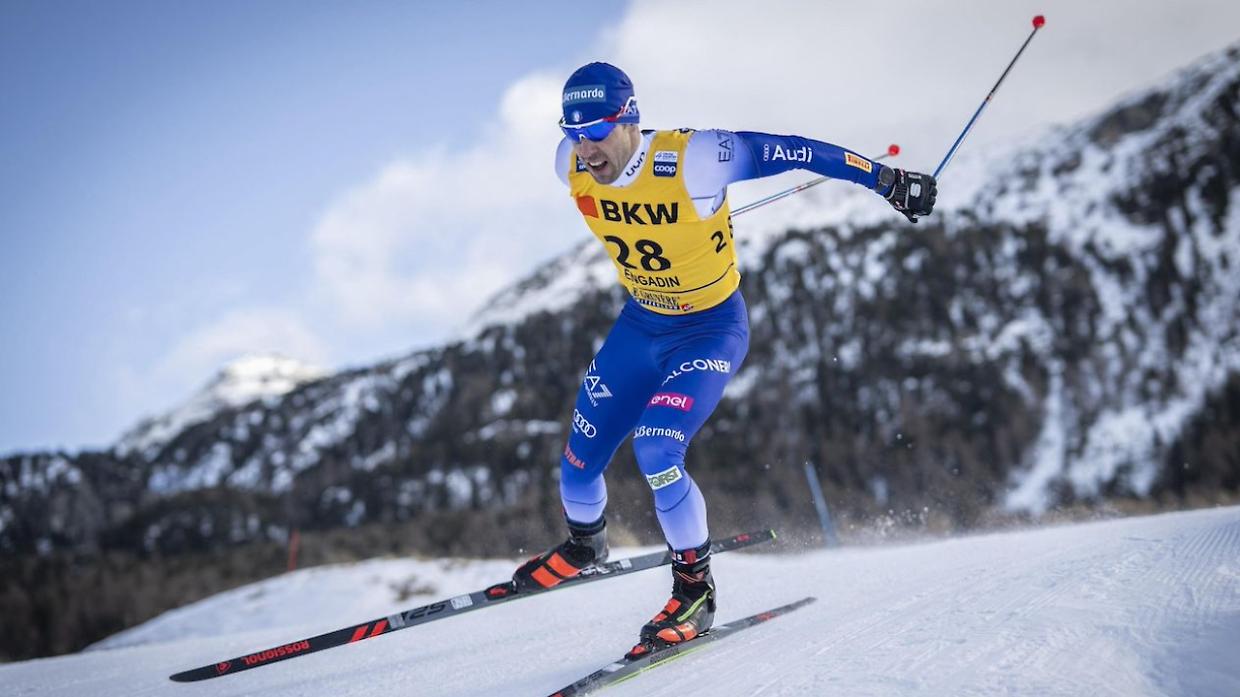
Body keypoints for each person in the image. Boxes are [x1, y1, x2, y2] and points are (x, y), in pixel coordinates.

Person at [509, 62, 936, 657]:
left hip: (710, 329)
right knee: (578, 466)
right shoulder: (569, 162)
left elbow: (797, 150)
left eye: (598, 131)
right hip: (641, 325)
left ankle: (696, 590)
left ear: (629, 118)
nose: (585, 149)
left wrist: (887, 179)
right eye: (573, 132)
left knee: (656, 449)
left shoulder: (698, 158)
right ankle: (587, 544)